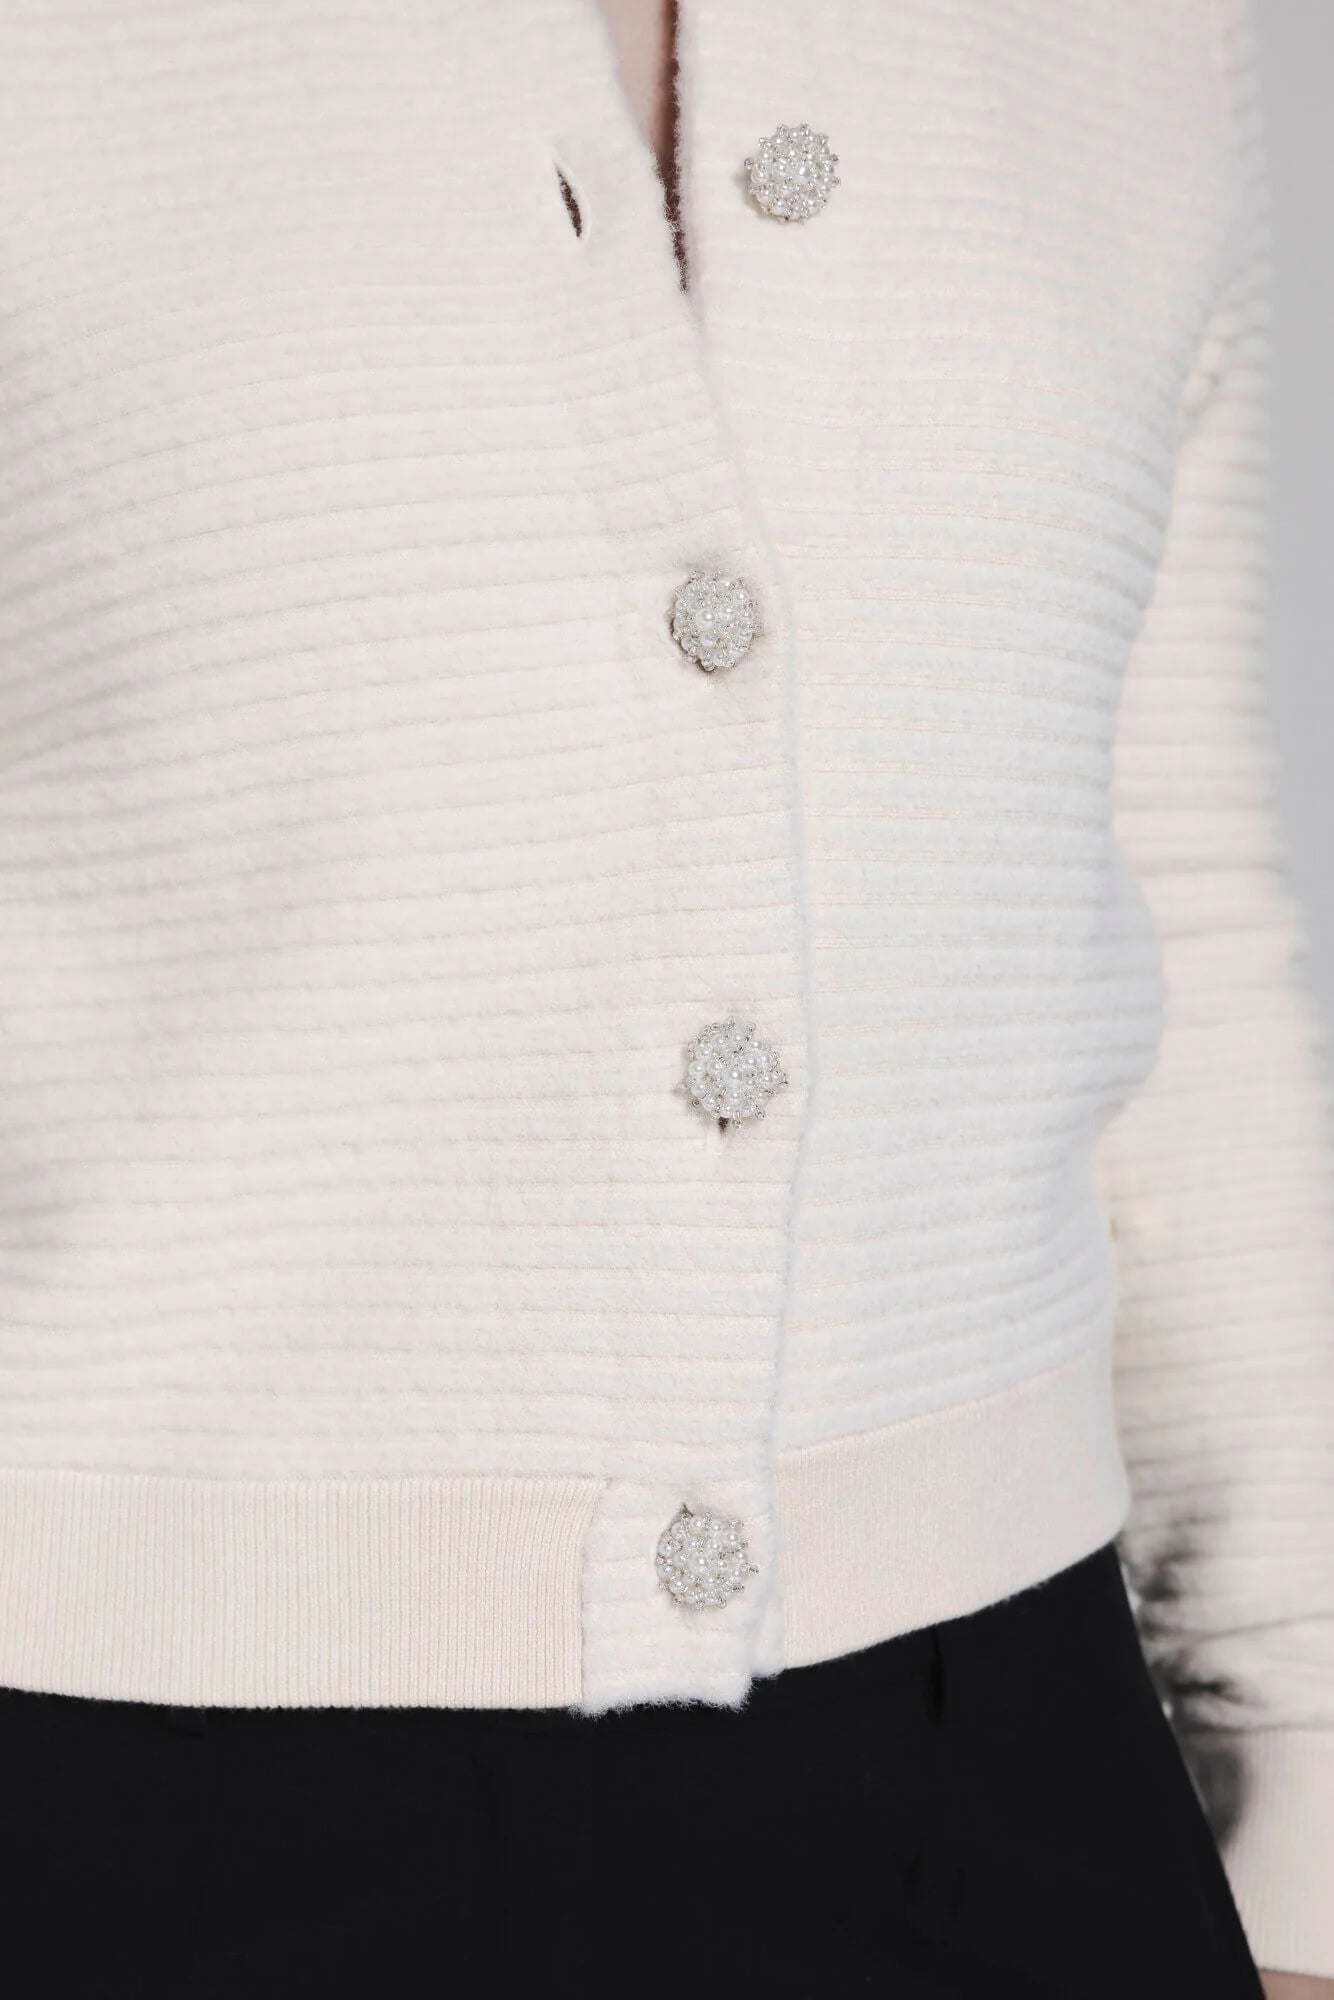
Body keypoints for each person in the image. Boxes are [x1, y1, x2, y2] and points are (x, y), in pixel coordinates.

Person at [0, 1, 1329, 1993]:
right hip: (119, 1787)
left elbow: (1170, 903)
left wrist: (1304, 1773)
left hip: (1015, 1783)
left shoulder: (1120, 33)